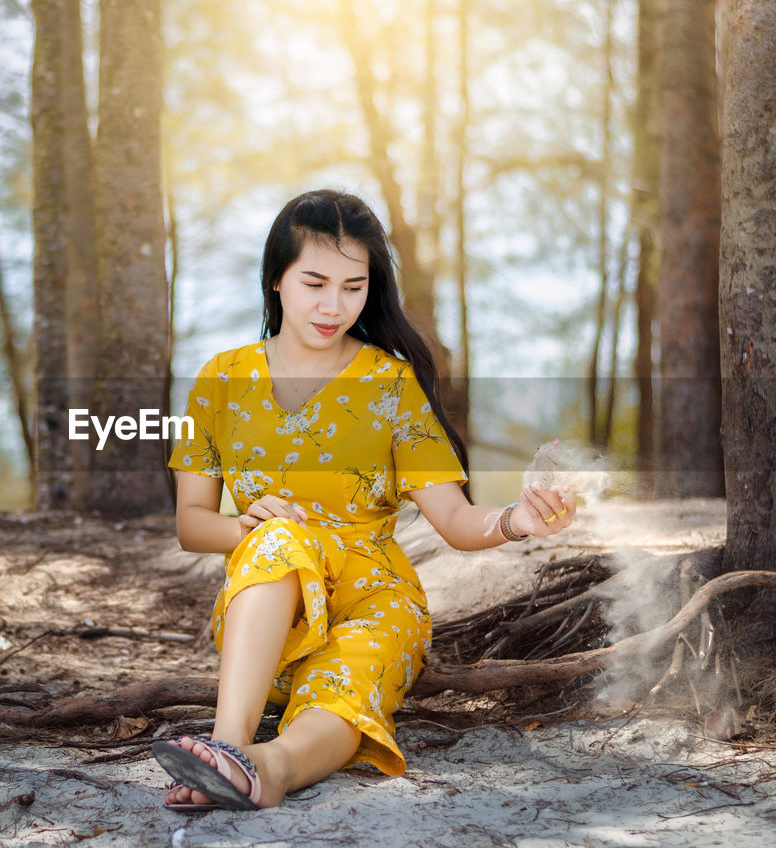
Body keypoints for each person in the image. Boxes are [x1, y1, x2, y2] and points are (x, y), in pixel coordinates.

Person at [153, 189, 577, 811]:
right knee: (278, 540)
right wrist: (247, 528)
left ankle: (266, 770)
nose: (334, 306)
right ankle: (227, 744)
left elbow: (455, 520)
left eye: (353, 287)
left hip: (374, 603)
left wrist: (518, 519)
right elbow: (192, 524)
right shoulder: (220, 381)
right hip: (268, 620)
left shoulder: (390, 384)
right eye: (315, 282)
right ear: (276, 279)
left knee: (344, 693)